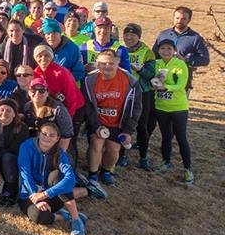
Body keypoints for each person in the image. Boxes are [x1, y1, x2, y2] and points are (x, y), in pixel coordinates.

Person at [82, 48, 141, 190]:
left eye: (110, 63)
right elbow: (88, 106)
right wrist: (96, 125)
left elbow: (136, 108)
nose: (107, 66)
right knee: (96, 143)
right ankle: (93, 174)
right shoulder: (90, 80)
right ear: (97, 63)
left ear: (118, 63)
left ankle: (106, 171)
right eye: (103, 63)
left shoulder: (130, 81)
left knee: (113, 149)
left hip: (117, 121)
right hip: (98, 120)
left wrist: (128, 131)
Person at [18, 122, 86, 235]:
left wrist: (45, 194)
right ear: (39, 134)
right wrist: (36, 198)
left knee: (57, 177)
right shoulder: (26, 147)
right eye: (44, 133)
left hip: (52, 195)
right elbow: (25, 174)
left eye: (51, 135)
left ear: (57, 138)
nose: (47, 137)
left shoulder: (59, 153)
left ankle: (76, 220)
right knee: (38, 216)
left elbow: (70, 179)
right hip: (30, 194)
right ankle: (65, 217)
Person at [153, 38, 194, 184]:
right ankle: (165, 161)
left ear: (174, 50)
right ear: (158, 51)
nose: (166, 51)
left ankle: (188, 168)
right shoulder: (156, 64)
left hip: (178, 107)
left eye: (169, 49)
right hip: (161, 106)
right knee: (166, 136)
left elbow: (181, 85)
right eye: (163, 49)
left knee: (181, 137)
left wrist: (166, 87)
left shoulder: (180, 64)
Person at [123, 23, 158, 170]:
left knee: (142, 126)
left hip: (142, 92)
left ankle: (143, 158)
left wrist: (142, 69)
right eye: (126, 34)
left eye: (133, 35)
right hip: (125, 92)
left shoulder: (147, 52)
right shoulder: (120, 49)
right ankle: (121, 155)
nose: (129, 37)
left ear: (139, 36)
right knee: (123, 125)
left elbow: (152, 74)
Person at [153, 6, 210, 84]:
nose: (179, 21)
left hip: (182, 79)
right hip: (161, 78)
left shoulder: (195, 38)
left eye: (183, 19)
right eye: (177, 18)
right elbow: (154, 54)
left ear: (189, 20)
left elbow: (205, 60)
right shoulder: (163, 34)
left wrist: (186, 60)